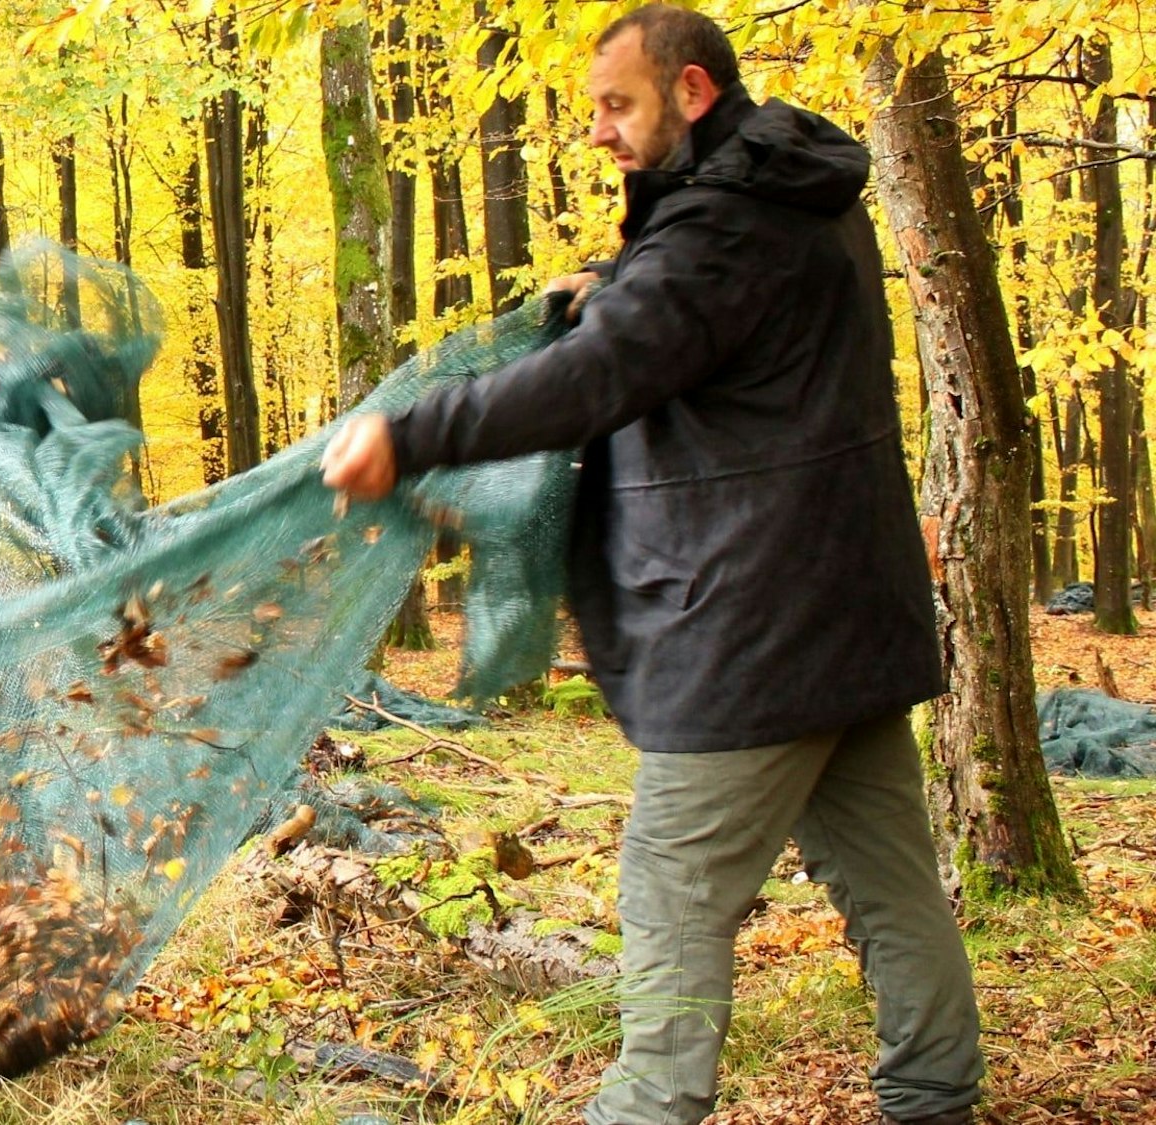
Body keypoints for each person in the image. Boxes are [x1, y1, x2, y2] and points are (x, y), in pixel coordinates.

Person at [320, 7, 982, 1124]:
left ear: (688, 91)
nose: (596, 132)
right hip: (841, 608)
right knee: (886, 881)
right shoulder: (784, 195)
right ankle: (935, 1095)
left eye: (615, 105)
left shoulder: (724, 228)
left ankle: (646, 1110)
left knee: (671, 887)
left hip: (751, 623)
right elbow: (687, 319)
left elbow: (607, 371)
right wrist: (608, 278)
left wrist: (413, 434)